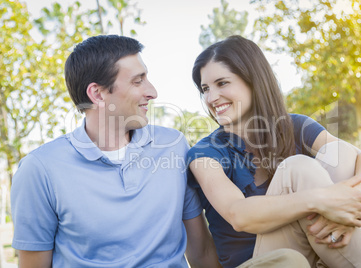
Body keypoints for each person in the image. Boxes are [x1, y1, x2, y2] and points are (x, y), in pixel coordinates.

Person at [10, 35, 221, 267]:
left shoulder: (173, 146)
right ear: (97, 94)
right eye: (138, 81)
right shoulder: (39, 169)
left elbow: (200, 252)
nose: (152, 92)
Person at [187, 35, 361, 268]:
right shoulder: (204, 152)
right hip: (263, 261)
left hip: (315, 245)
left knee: (341, 152)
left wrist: (347, 206)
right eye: (205, 88)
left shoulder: (295, 125)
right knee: (298, 167)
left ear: (252, 81)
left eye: (222, 83)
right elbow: (239, 215)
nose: (211, 98)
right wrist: (321, 200)